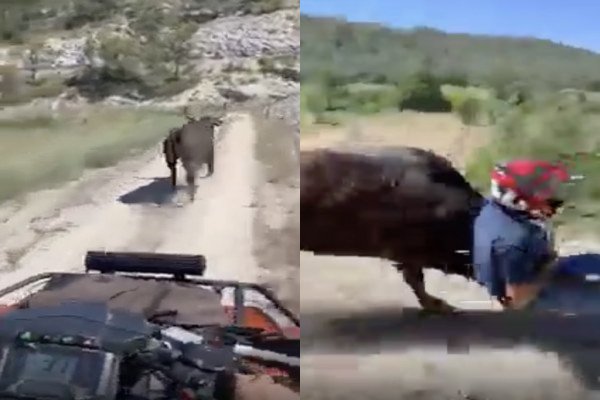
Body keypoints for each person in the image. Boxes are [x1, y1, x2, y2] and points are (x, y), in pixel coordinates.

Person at [472, 159, 573, 310]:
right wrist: (551, 270)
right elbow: (517, 301)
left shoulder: (493, 207)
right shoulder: (515, 241)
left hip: (520, 267)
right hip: (526, 295)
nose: (549, 192)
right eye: (539, 189)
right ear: (516, 199)